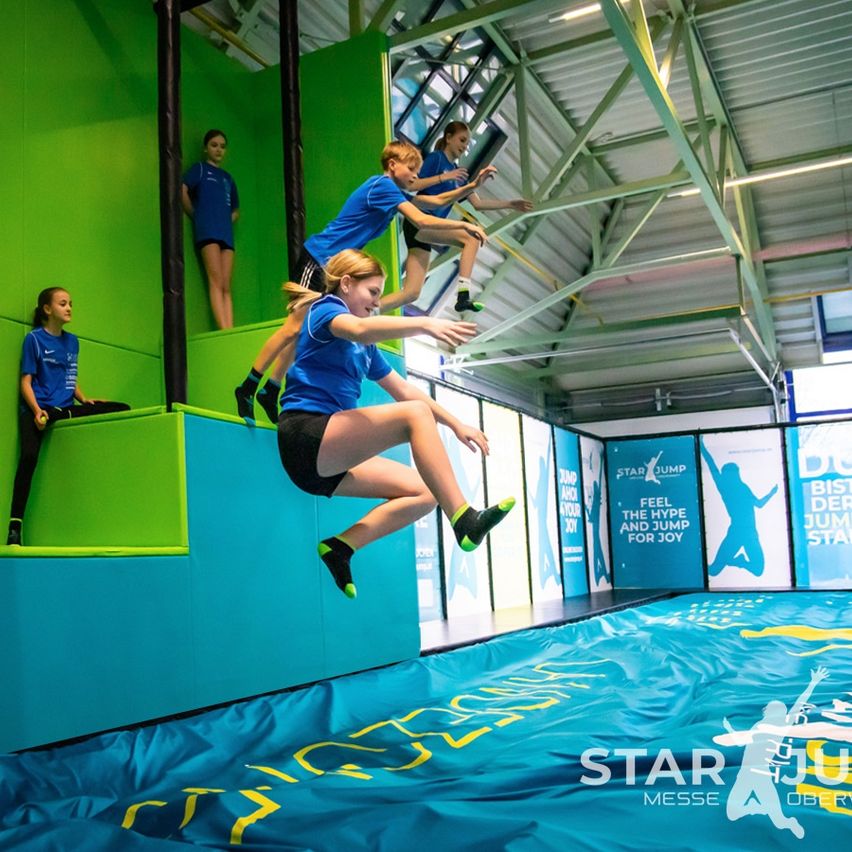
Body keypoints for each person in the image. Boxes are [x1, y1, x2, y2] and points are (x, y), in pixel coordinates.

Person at [276, 249, 515, 599]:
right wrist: (425, 324)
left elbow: (404, 390)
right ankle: (465, 520)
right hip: (305, 435)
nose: (377, 302)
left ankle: (341, 547)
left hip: (324, 463)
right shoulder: (326, 309)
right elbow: (359, 330)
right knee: (413, 415)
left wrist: (455, 424)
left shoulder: (366, 349)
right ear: (346, 284)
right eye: (372, 292)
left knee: (425, 493)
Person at [233, 140, 493, 425]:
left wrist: (472, 187)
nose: (415, 176)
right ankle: (248, 386)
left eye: (418, 171)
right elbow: (422, 220)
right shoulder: (381, 187)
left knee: (302, 329)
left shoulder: (394, 194)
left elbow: (436, 202)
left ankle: (271, 389)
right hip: (318, 257)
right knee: (293, 327)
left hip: (333, 268)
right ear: (392, 165)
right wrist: (464, 225)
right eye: (411, 169)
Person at [6, 288, 130, 546]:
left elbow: (69, 378)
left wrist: (84, 399)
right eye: (63, 304)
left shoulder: (73, 342)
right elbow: (26, 382)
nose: (69, 308)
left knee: (120, 407)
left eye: (70, 303)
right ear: (47, 309)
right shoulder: (34, 340)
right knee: (28, 457)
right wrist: (37, 410)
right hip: (38, 410)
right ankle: (15, 527)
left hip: (64, 410)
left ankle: (59, 413)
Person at [380, 121, 533, 315]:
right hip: (420, 220)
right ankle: (463, 296)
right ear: (448, 137)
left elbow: (478, 204)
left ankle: (370, 311)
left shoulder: (459, 174)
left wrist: (510, 204)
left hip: (429, 230)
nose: (465, 146)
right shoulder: (437, 159)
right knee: (471, 238)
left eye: (467, 143)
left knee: (412, 293)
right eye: (462, 140)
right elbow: (412, 185)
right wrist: (444, 177)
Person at [182, 129, 240, 330]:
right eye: (214, 145)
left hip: (225, 234)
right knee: (215, 280)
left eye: (222, 147)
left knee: (226, 284)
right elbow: (183, 190)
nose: (218, 150)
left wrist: (224, 220)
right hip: (208, 231)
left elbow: (235, 210)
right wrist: (196, 215)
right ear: (206, 148)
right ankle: (224, 329)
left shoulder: (228, 178)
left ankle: (230, 329)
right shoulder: (199, 169)